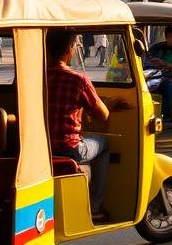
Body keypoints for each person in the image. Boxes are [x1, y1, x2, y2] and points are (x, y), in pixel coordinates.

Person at [46, 29, 117, 219]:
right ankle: (94, 207)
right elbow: (103, 114)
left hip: (40, 150)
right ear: (70, 48)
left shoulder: (34, 78)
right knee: (104, 144)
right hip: (68, 149)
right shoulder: (78, 80)